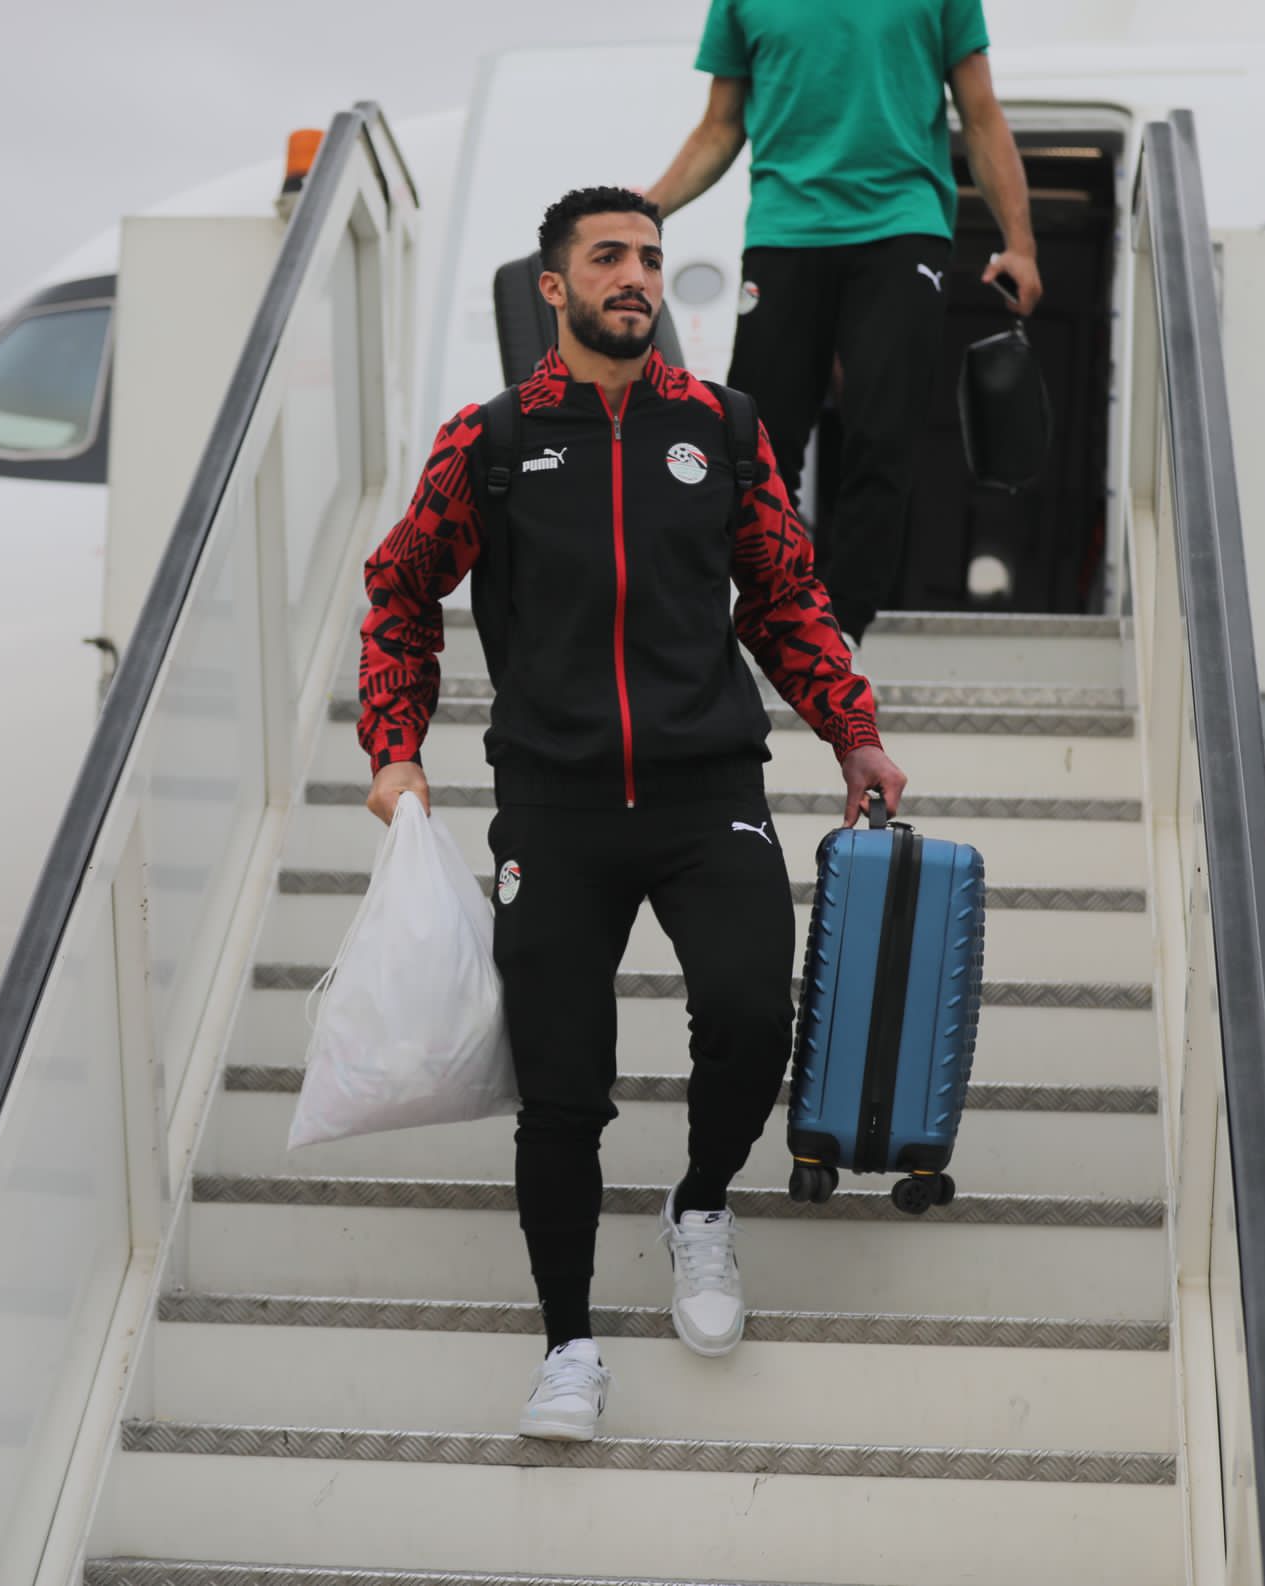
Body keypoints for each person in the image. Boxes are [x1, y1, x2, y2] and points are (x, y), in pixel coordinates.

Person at [357, 186, 907, 1441]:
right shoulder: (491, 440)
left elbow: (783, 595)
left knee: (752, 1015)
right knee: (561, 1090)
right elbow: (399, 591)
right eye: (608, 258)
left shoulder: (721, 426)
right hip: (552, 808)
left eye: (651, 259)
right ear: (553, 287)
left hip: (707, 791)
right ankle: (568, 1345)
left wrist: (853, 730)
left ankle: (700, 1201)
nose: (636, 278)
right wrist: (394, 749)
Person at [645, 0, 1043, 645]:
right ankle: (772, 611)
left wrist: (1019, 244)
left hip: (901, 228)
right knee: (756, 442)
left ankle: (842, 624)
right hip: (785, 232)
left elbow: (981, 116)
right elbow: (721, 126)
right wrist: (645, 209)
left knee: (882, 433)